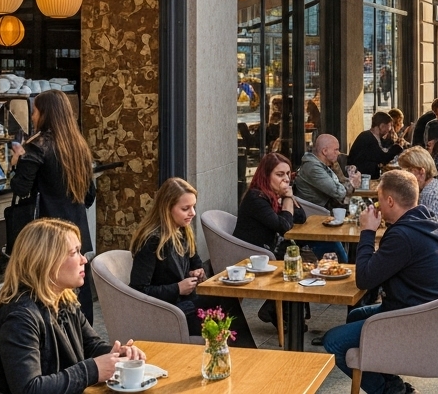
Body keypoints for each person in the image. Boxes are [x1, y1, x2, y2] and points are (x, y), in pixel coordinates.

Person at [323, 170, 438, 394]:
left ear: (390, 201)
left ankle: (390, 391)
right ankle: (391, 382)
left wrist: (367, 231)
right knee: (355, 315)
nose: (377, 205)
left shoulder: (403, 235)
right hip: (435, 314)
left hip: (417, 322)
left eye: (379, 199)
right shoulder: (424, 220)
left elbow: (364, 279)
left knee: (333, 342)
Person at [0, 219, 144, 394]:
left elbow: (90, 345)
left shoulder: (64, 300)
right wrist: (92, 370)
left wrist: (117, 355)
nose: (83, 260)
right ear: (47, 261)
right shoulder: (20, 318)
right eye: (75, 252)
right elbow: (29, 389)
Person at [129, 178, 255, 347]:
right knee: (224, 316)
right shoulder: (151, 241)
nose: (193, 213)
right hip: (168, 311)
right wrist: (177, 288)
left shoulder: (182, 231)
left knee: (228, 300)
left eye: (193, 206)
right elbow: (138, 290)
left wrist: (197, 271)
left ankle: (244, 354)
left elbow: (196, 262)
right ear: (167, 208)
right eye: (185, 208)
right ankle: (244, 354)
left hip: (186, 302)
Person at [10, 90, 99, 321]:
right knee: (78, 286)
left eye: (34, 111)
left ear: (45, 113)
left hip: (48, 232)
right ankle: (82, 333)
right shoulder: (79, 146)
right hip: (76, 230)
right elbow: (89, 196)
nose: (32, 117)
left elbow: (21, 188)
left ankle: (53, 334)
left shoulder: (37, 146)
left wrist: (16, 162)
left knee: (48, 287)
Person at [234, 152, 309, 327]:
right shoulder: (256, 197)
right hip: (250, 254)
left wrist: (287, 197)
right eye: (280, 174)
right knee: (294, 264)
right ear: (266, 176)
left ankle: (275, 310)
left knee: (299, 262)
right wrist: (288, 198)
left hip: (268, 249)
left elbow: (300, 217)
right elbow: (284, 225)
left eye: (288, 174)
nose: (286, 179)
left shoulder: (274, 195)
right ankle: (277, 311)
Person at [296, 133, 357, 210]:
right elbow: (339, 193)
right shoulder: (313, 168)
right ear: (325, 151)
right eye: (336, 150)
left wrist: (338, 170)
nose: (338, 153)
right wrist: (352, 183)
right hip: (316, 212)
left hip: (327, 209)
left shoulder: (324, 164)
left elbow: (342, 185)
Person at [347, 111, 405, 179]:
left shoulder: (375, 137)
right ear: (382, 126)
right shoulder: (367, 137)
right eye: (388, 128)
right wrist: (398, 147)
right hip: (361, 176)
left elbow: (384, 148)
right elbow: (383, 158)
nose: (388, 131)